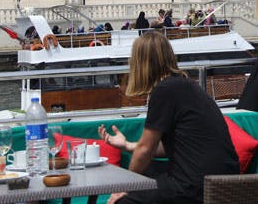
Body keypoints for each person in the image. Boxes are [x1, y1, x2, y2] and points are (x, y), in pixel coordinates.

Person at [98, 32, 238, 204]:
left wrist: (125, 188)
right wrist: (127, 145)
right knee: (148, 171)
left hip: (197, 187)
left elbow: (146, 150)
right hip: (222, 183)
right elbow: (174, 146)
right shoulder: (184, 85)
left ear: (141, 64)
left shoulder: (164, 91)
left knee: (123, 201)